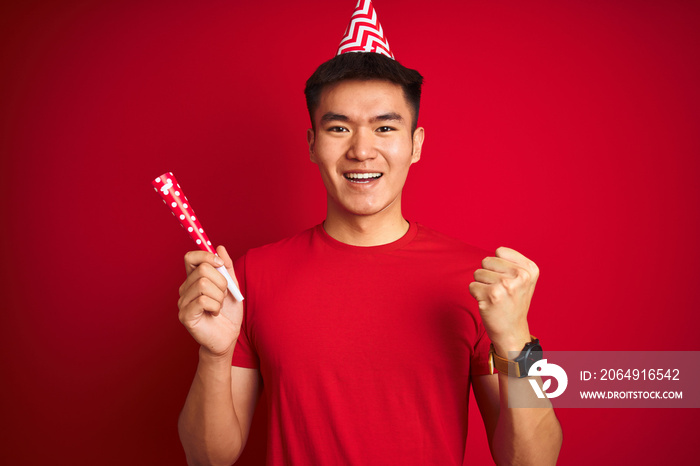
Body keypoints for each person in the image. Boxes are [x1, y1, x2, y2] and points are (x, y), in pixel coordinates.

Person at [176, 1, 562, 464]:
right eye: (339, 127)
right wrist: (214, 357)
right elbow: (207, 459)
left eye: (385, 127)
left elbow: (534, 461)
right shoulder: (251, 276)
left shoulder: (478, 281)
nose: (362, 150)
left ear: (415, 145)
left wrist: (518, 342)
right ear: (313, 144)